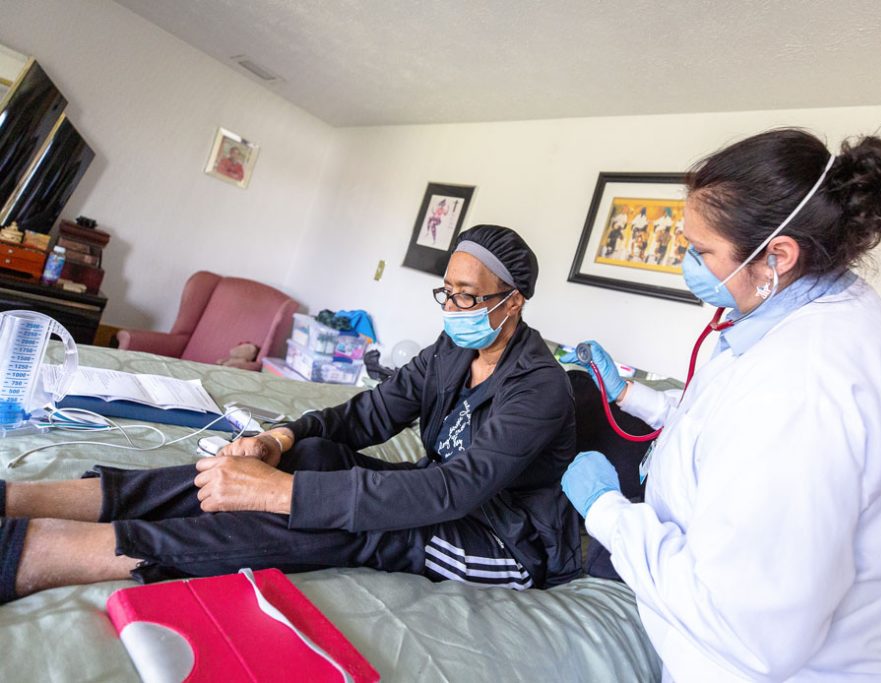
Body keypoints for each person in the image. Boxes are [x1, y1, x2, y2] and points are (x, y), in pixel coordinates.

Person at [561, 129, 881, 681]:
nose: (686, 262)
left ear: (777, 255)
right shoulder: (812, 309)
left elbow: (748, 631)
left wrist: (607, 511)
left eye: (701, 250)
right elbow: (724, 431)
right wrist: (632, 396)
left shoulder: (803, 389)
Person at [0, 225, 580, 603]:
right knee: (316, 454)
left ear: (513, 301)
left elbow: (453, 490)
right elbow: (369, 415)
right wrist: (279, 440)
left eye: (467, 296)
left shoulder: (541, 387)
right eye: (446, 291)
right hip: (439, 495)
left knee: (343, 523)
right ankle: (34, 499)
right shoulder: (452, 350)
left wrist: (279, 493)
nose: (451, 308)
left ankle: (53, 551)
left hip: (500, 538)